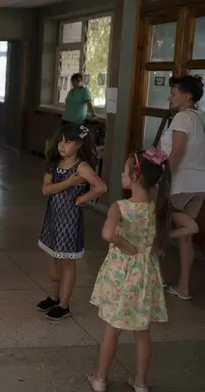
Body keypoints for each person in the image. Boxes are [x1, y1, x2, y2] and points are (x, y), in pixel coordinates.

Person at [86, 148, 197, 392]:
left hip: (120, 274)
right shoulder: (159, 207)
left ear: (135, 175)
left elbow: (107, 234)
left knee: (112, 330)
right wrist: (163, 238)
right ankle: (141, 383)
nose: (122, 175)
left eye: (125, 171)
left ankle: (100, 379)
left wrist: (125, 245)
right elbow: (192, 225)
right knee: (142, 332)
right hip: (146, 273)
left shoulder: (120, 207)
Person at [36, 124, 107, 321]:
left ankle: (64, 304)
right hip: (53, 218)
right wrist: (68, 183)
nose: (62, 145)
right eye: (60, 140)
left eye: (68, 142)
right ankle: (53, 296)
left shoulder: (82, 167)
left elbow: (100, 187)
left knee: (67, 262)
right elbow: (46, 190)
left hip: (69, 221)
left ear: (79, 144)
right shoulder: (54, 163)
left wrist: (82, 199)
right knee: (55, 259)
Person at [160, 75, 205, 300]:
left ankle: (147, 280)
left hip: (180, 183)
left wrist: (163, 181)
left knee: (157, 229)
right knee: (186, 235)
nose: (169, 97)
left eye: (173, 93)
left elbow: (176, 152)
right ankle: (183, 287)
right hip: (200, 184)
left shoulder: (182, 118)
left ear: (186, 97)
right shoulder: (202, 117)